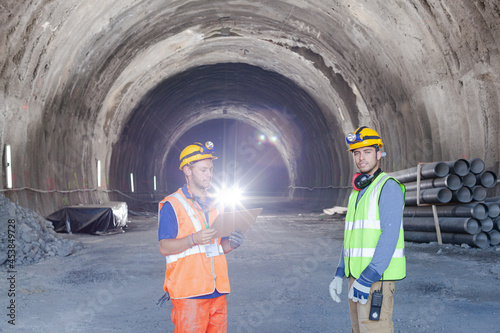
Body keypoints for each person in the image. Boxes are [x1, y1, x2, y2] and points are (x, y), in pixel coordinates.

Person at [158, 141, 245, 333]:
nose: (209, 175)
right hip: (189, 293)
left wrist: (232, 244)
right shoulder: (173, 205)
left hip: (217, 290)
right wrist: (193, 238)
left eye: (211, 170)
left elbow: (215, 248)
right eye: (203, 170)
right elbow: (164, 247)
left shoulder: (216, 204)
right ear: (187, 171)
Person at [329, 126, 406, 333]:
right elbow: (352, 237)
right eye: (356, 152)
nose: (361, 157)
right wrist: (340, 272)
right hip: (357, 278)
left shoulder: (387, 187)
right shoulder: (358, 192)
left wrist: (367, 278)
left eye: (367, 151)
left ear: (379, 154)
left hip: (375, 280)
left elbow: (390, 237)